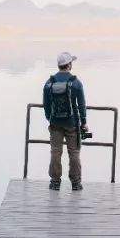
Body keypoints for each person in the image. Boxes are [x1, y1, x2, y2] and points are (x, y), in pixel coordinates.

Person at [42, 51, 87, 191]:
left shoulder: (50, 82)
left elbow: (46, 105)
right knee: (74, 152)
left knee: (55, 151)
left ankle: (55, 182)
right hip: (72, 123)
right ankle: (76, 183)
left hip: (55, 123)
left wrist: (50, 118)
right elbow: (81, 104)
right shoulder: (75, 82)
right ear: (69, 65)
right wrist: (84, 122)